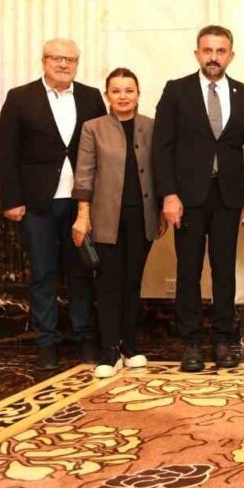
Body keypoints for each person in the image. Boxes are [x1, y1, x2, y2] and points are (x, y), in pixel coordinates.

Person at [152, 25, 244, 372]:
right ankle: (191, 343)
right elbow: (162, 146)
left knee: (224, 270)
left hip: (229, 197)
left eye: (221, 51)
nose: (214, 57)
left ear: (231, 55)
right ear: (197, 53)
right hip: (187, 198)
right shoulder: (176, 90)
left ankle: (224, 339)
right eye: (208, 50)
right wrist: (169, 194)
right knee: (188, 270)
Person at [0, 38, 107, 371]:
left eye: (70, 59)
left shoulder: (91, 97)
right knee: (43, 274)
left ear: (77, 64)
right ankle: (47, 343)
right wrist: (12, 199)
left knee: (81, 273)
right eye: (57, 58)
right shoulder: (20, 97)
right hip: (37, 204)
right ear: (44, 61)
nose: (63, 64)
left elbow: (102, 147)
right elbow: (6, 151)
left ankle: (85, 338)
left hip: (80, 204)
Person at [71, 68, 164, 378]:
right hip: (105, 218)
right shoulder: (93, 128)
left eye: (129, 90)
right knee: (109, 283)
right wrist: (83, 215)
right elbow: (84, 174)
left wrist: (161, 210)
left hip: (143, 217)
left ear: (138, 94)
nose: (123, 96)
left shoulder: (151, 126)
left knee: (133, 282)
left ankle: (130, 346)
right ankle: (109, 350)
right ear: (107, 95)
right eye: (116, 91)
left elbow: (160, 170)